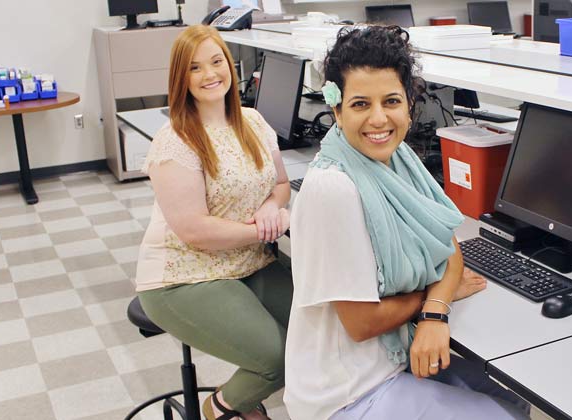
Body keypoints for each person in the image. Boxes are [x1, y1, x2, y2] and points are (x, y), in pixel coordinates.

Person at [284, 26, 531, 420]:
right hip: (346, 389)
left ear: (410, 105)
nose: (379, 119)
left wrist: (435, 311)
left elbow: (448, 250)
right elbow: (362, 323)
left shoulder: (398, 159)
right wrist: (432, 303)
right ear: (336, 110)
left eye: (392, 101)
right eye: (361, 104)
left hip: (392, 354)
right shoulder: (333, 188)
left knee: (515, 403)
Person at [134, 25, 293, 420]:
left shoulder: (254, 122)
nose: (210, 75)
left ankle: (245, 401)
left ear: (230, 64)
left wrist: (273, 207)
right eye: (195, 68)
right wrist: (261, 230)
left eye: (217, 61)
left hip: (248, 262)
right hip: (183, 277)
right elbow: (194, 231)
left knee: (322, 328)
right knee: (276, 358)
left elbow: (282, 183)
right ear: (181, 79)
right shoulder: (175, 141)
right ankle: (219, 409)